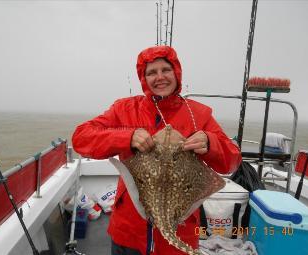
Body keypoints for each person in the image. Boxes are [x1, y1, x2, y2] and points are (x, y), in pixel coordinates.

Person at [72, 46, 242, 255]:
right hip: (129, 231)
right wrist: (127, 137)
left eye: (165, 70)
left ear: (176, 73)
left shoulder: (199, 114)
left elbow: (232, 160)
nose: (160, 77)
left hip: (180, 228)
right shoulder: (125, 110)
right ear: (143, 78)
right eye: (152, 72)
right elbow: (81, 138)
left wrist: (211, 143)